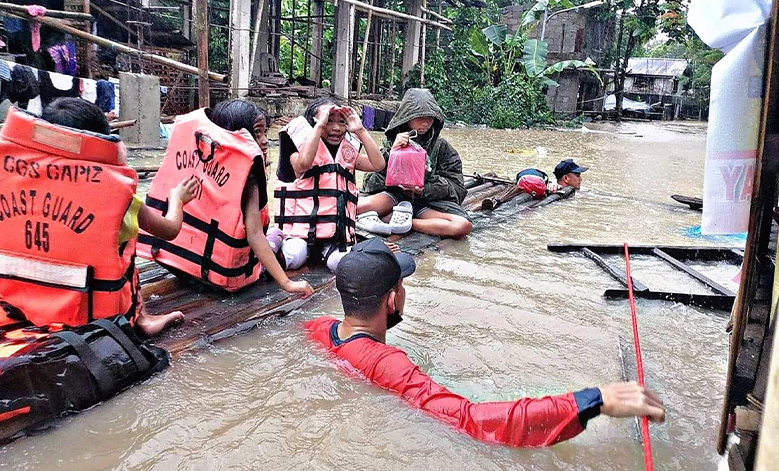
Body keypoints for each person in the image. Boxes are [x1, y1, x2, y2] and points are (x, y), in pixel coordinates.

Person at [305, 237, 666, 448]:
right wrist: (592, 400)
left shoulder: (320, 329)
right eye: (402, 286)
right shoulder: (389, 363)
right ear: (390, 301)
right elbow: (473, 421)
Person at [0, 99, 193, 336]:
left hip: (13, 305)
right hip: (91, 317)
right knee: (124, 245)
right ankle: (141, 319)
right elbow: (169, 229)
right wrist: (178, 199)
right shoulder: (116, 192)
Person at [139, 99, 313, 297]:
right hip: (222, 278)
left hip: (179, 263)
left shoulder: (196, 155)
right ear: (238, 133)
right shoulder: (248, 175)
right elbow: (254, 235)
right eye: (257, 132)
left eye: (265, 132)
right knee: (287, 241)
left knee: (273, 234)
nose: (265, 140)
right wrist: (287, 283)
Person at [272, 97, 385, 272]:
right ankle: (272, 242)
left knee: (342, 264)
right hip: (300, 235)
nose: (336, 128)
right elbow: (303, 165)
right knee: (294, 256)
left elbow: (378, 164)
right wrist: (318, 127)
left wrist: (360, 130)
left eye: (341, 122)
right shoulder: (297, 151)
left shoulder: (348, 154)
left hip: (335, 238)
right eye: (328, 121)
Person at [357, 88, 472, 239]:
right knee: (353, 209)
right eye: (420, 118)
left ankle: (403, 222)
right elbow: (371, 179)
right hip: (393, 197)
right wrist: (392, 153)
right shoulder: (392, 141)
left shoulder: (443, 148)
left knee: (462, 226)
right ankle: (394, 217)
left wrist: (424, 188)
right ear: (407, 117)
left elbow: (457, 187)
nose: (425, 123)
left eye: (430, 118)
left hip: (426, 204)